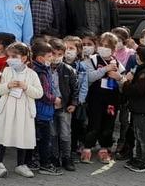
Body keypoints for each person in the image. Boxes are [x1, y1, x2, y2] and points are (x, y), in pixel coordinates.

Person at [0, 42, 43, 178]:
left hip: (24, 110)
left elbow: (39, 93)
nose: (10, 59)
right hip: (7, 109)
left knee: (22, 136)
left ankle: (21, 164)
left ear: (24, 58)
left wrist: (26, 87)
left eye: (14, 57)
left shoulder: (32, 74)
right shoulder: (5, 71)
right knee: (3, 134)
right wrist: (7, 86)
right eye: (9, 56)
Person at [80, 32, 124, 164]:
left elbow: (123, 81)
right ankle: (87, 148)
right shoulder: (92, 60)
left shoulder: (117, 62)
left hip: (111, 100)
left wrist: (119, 78)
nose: (104, 48)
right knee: (94, 123)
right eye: (102, 45)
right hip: (96, 99)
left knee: (108, 124)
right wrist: (105, 69)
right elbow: (89, 77)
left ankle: (104, 148)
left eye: (107, 46)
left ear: (114, 49)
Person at [120, 44, 145, 173]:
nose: (135, 56)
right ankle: (139, 158)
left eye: (137, 54)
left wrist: (126, 82)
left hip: (143, 109)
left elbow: (137, 91)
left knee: (142, 136)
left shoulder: (144, 73)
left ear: (140, 57)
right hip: (141, 109)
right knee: (138, 134)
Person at [29, 41, 62, 176]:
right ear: (40, 58)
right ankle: (45, 164)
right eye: (49, 56)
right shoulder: (40, 72)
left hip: (41, 110)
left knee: (38, 138)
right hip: (42, 111)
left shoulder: (41, 69)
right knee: (44, 140)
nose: (52, 58)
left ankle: (32, 161)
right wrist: (55, 99)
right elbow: (43, 94)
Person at [48, 38, 79, 172]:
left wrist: (73, 103)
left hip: (64, 106)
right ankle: (54, 157)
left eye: (59, 54)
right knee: (52, 133)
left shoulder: (68, 69)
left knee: (65, 133)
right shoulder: (45, 69)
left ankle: (67, 158)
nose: (56, 57)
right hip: (49, 106)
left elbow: (75, 88)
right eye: (53, 54)